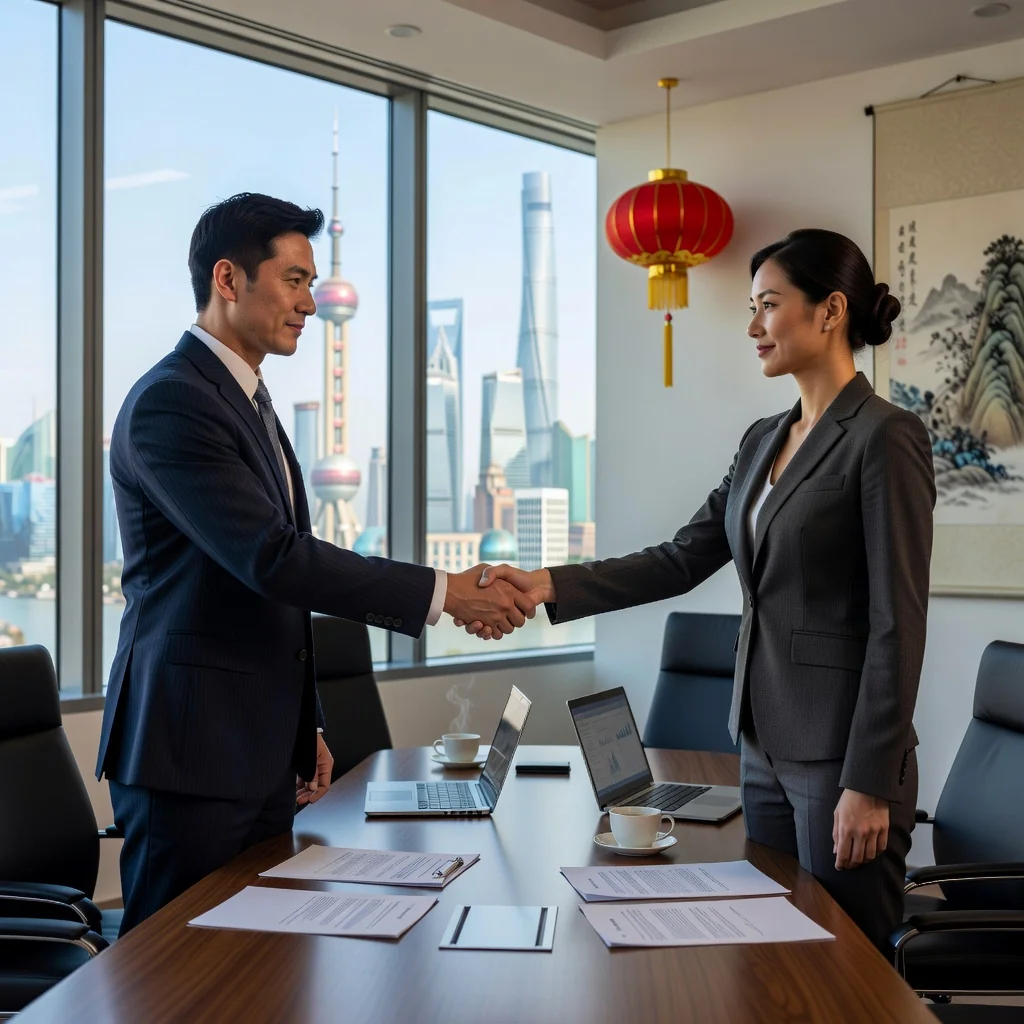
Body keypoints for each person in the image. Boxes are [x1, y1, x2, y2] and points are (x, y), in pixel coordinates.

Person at [463, 228, 936, 950]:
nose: (752, 327)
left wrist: (868, 780)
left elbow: (897, 623)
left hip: (842, 757)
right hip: (762, 742)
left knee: (847, 968)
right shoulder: (762, 440)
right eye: (751, 307)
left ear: (831, 310)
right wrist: (550, 583)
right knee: (771, 958)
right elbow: (681, 557)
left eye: (768, 306)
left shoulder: (885, 437)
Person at [97, 193, 538, 933]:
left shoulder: (249, 401)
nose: (309, 301)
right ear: (229, 280)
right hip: (191, 750)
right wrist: (443, 593)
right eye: (294, 279)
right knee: (178, 976)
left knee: (262, 962)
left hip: (256, 748)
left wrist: (306, 722)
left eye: (312, 284)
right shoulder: (172, 403)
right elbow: (272, 560)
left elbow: (270, 593)